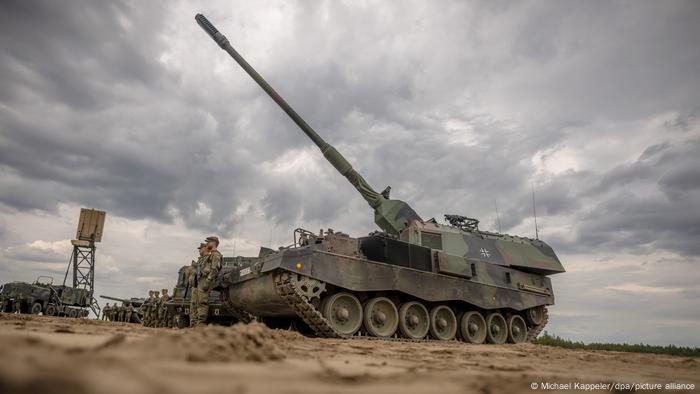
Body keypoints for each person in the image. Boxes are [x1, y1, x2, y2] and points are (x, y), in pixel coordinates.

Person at [192, 236, 222, 327]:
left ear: (213, 242)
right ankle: (198, 323)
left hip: (205, 280)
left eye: (209, 242)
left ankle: (201, 324)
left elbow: (214, 269)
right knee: (198, 302)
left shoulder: (215, 254)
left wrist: (208, 281)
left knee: (202, 302)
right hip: (201, 280)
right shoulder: (211, 255)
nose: (207, 244)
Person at [189, 243, 209, 327]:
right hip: (196, 286)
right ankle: (193, 324)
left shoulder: (208, 259)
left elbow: (208, 271)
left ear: (205, 248)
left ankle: (200, 324)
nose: (199, 250)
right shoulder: (201, 260)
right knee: (194, 305)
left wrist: (199, 270)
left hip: (203, 285)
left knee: (201, 304)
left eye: (201, 249)